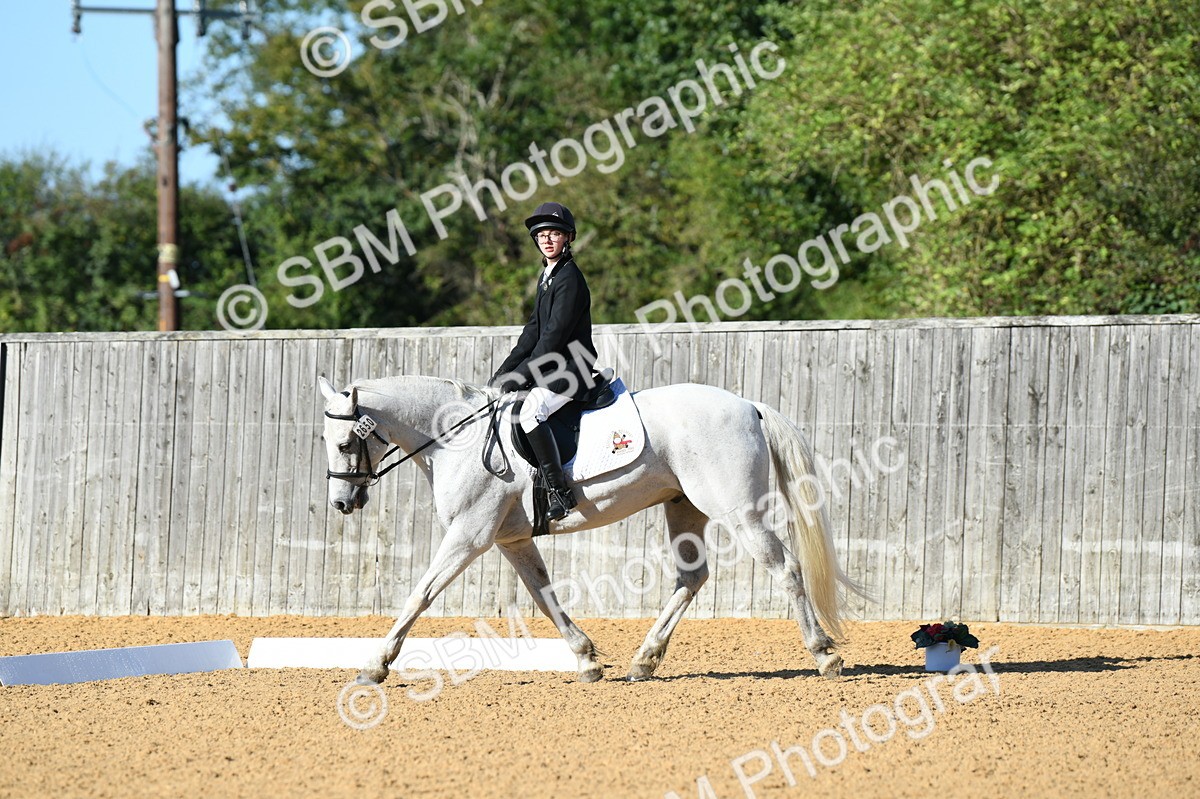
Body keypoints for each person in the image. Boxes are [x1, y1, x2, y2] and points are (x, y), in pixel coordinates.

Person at [489, 201, 598, 520]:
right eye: (541, 235)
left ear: (569, 238)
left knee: (532, 412)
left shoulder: (571, 279)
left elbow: (555, 335)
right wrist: (504, 372)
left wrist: (523, 375)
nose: (547, 240)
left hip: (573, 367)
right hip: (552, 365)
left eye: (554, 234)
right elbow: (533, 330)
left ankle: (560, 492)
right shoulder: (548, 276)